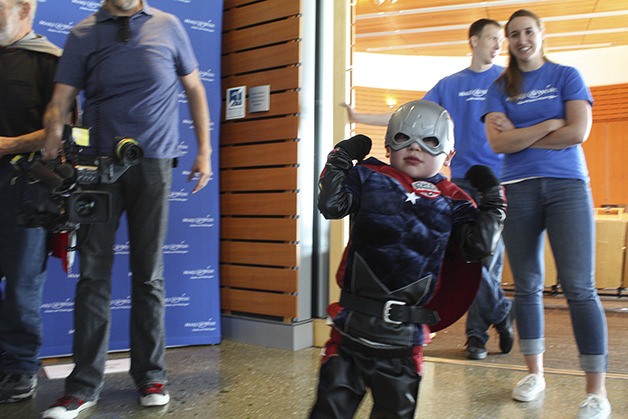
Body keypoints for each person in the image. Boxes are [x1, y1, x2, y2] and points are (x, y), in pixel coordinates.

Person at [40, 0, 212, 418]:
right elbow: (60, 98)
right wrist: (52, 132)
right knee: (93, 277)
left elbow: (194, 88)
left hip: (153, 165)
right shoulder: (83, 32)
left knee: (149, 274)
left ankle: (152, 376)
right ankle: (82, 387)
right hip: (98, 167)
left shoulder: (168, 26)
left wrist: (205, 150)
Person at [310, 100, 506, 418]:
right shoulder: (369, 176)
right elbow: (332, 205)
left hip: (404, 342)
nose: (415, 148)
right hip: (349, 334)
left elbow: (478, 248)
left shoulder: (455, 199)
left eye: (430, 142)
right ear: (389, 145)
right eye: (404, 138)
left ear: (448, 155)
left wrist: (494, 202)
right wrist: (340, 160)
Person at [343, 18, 514, 361]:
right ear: (474, 41)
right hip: (458, 182)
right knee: (468, 267)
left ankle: (477, 336)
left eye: (501, 40)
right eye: (493, 38)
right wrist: (360, 115)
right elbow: (408, 118)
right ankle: (496, 317)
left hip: (496, 181)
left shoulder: (506, 82)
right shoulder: (450, 84)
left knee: (484, 264)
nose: (499, 45)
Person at [483, 9, 611, 419]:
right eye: (515, 34)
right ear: (509, 41)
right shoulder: (500, 87)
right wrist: (548, 123)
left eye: (528, 32)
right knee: (526, 286)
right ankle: (534, 374)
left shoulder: (566, 75)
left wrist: (522, 134)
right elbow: (499, 145)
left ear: (541, 34)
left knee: (579, 287)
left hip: (567, 187)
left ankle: (596, 391)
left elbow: (579, 132)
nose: (522, 40)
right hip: (518, 190)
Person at [0, 0, 61, 404]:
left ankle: (20, 369)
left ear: (24, 10)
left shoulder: (51, 61)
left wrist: (9, 145)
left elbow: (65, 131)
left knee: (22, 283)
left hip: (27, 188)